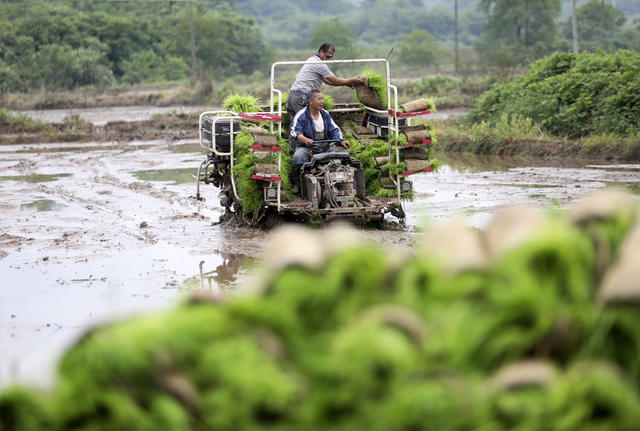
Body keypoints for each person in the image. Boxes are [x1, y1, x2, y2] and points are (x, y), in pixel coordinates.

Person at [286, 43, 366, 119]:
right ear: (321, 52)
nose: (330, 59)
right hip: (301, 98)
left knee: (295, 126)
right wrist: (353, 79)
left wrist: (346, 83)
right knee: (306, 125)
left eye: (331, 57)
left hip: (292, 97)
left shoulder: (312, 59)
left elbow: (328, 81)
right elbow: (335, 80)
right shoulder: (319, 64)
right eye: (328, 55)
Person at [290, 90, 350, 167]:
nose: (322, 101)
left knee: (343, 154)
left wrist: (341, 141)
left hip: (325, 147)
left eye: (323, 99)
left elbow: (334, 130)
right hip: (307, 148)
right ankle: (299, 177)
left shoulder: (325, 114)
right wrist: (305, 140)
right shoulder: (301, 115)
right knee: (298, 157)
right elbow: (296, 132)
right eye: (319, 99)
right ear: (310, 101)